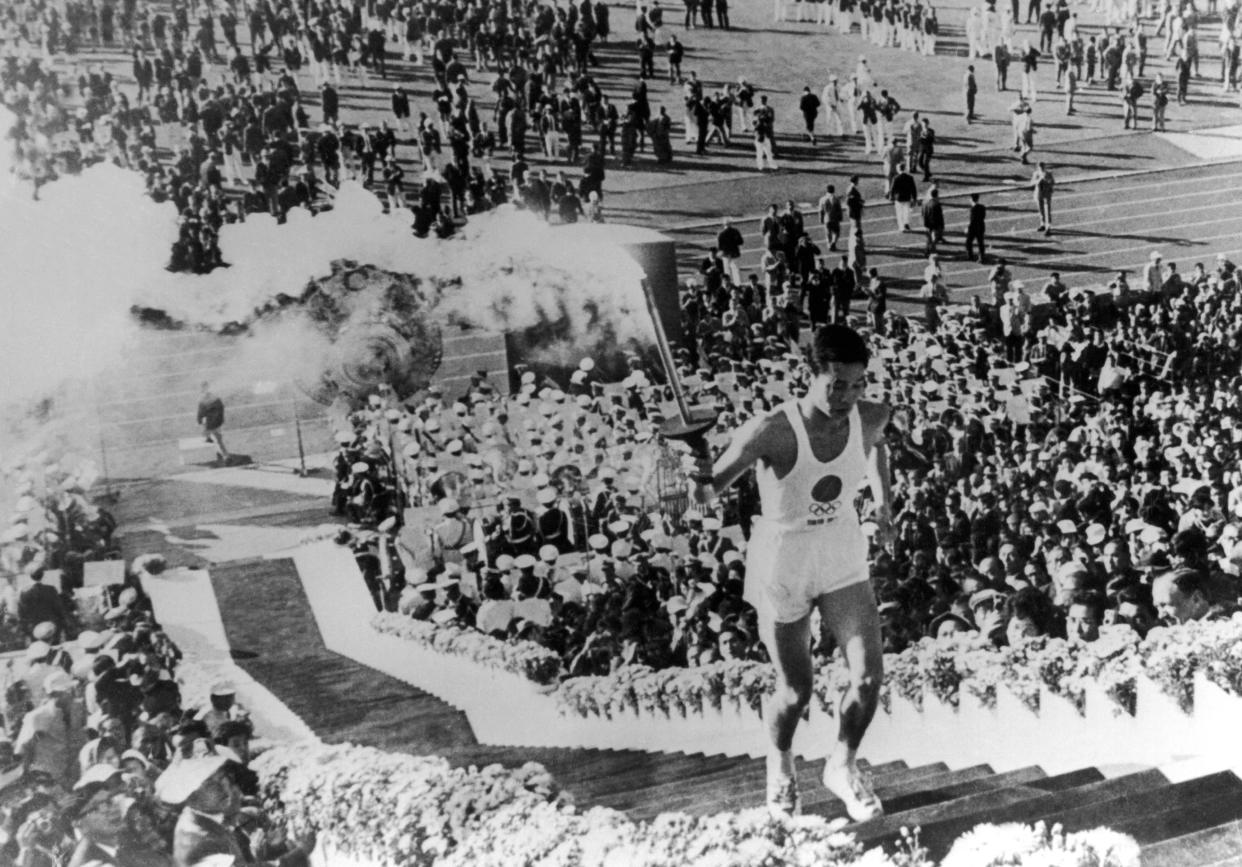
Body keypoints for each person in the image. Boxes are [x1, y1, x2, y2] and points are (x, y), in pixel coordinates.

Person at [689, 324, 894, 821]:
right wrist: (695, 466)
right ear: (811, 375)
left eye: (856, 384)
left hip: (841, 548)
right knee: (795, 690)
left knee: (868, 678)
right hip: (784, 556)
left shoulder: (872, 414)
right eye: (836, 384)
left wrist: (884, 504)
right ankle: (779, 764)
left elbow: (877, 444)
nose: (847, 396)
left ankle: (841, 765)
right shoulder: (771, 430)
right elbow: (705, 496)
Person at [196, 382, 230, 465]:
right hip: (217, 421)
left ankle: (226, 456)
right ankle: (209, 439)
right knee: (218, 438)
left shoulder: (202, 399)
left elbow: (201, 413)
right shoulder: (215, 397)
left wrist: (199, 420)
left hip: (211, 423)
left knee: (214, 437)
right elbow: (221, 407)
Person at [1031, 161, 1054, 235]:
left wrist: (1047, 181)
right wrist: (1039, 180)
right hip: (1039, 193)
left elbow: (1053, 182)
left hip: (1047, 193)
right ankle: (1043, 224)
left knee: (1047, 210)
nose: (1041, 168)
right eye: (1040, 167)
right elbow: (1032, 182)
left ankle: (1048, 227)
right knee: (1041, 210)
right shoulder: (1036, 173)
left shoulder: (1048, 174)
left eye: (1042, 167)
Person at [966, 193, 987, 262]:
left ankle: (970, 256)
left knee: (968, 242)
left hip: (973, 228)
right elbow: (983, 217)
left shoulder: (973, 209)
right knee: (980, 243)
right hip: (981, 227)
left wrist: (968, 228)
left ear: (972, 199)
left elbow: (972, 221)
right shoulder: (982, 207)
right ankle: (982, 257)